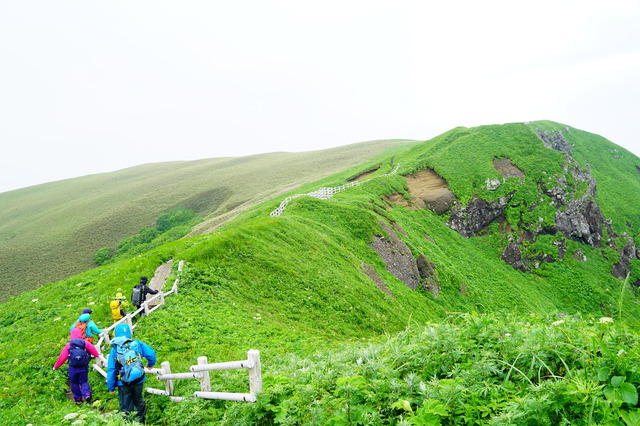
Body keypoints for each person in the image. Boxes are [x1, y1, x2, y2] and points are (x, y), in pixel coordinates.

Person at [107, 323, 156, 423]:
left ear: (116, 334)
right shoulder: (136, 343)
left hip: (123, 381)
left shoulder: (115, 349)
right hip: (138, 378)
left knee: (125, 406)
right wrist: (150, 364)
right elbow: (151, 354)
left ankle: (128, 423)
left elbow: (111, 369)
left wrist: (111, 387)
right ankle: (141, 422)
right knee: (138, 401)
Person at [53, 327, 103, 405]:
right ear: (80, 334)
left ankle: (78, 399)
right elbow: (93, 350)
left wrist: (56, 366)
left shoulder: (69, 345)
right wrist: (97, 355)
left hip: (72, 368)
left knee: (74, 383)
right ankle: (87, 395)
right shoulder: (84, 343)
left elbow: (62, 357)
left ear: (71, 335)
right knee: (83, 382)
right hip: (83, 367)